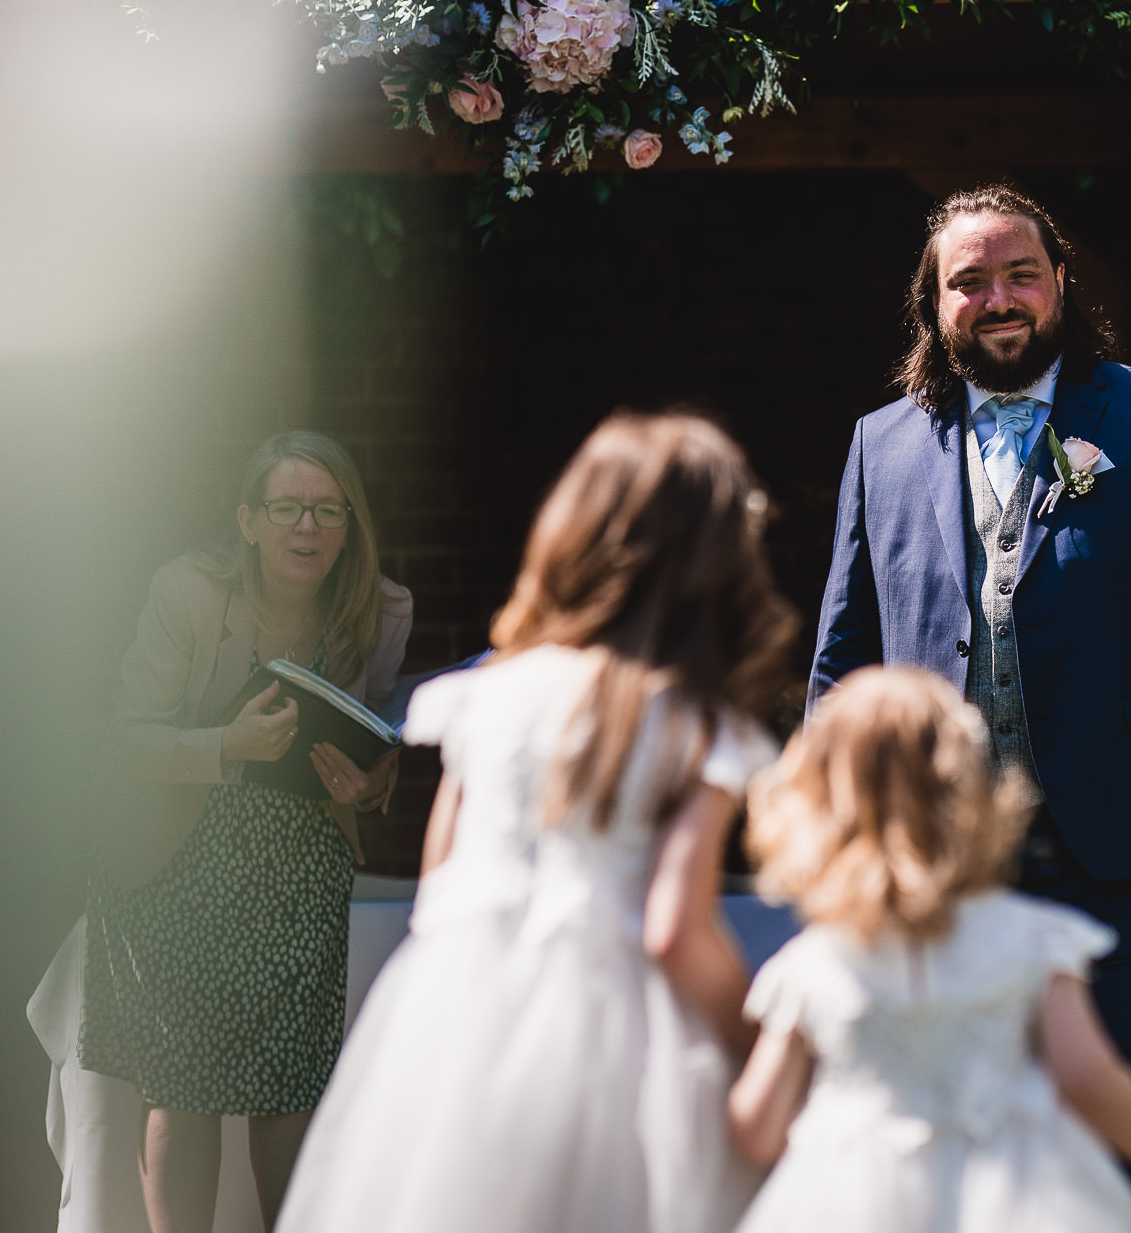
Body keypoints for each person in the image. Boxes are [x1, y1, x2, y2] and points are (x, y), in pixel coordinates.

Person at [808, 183, 1131, 1137]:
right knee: (942, 1115)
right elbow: (844, 659)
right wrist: (841, 824)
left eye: (1021, 274)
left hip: (1117, 840)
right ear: (934, 305)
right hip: (934, 852)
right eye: (969, 281)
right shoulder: (877, 445)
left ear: (1061, 281)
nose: (1000, 298)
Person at [275, 412, 793, 1233]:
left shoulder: (486, 698)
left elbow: (437, 884)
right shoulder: (695, 723)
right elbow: (673, 929)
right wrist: (755, 1033)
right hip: (613, 1030)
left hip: (451, 1015)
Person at [727, 665, 1131, 1233]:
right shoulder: (1033, 938)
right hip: (1020, 1199)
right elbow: (1087, 1074)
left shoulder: (811, 964)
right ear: (969, 789)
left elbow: (757, 1127)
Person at [75, 430, 411, 1233]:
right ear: (249, 520)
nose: (310, 528)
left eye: (330, 510)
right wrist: (225, 746)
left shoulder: (380, 606)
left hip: (300, 870)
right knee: (181, 1092)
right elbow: (124, 739)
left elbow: (379, 731)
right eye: (290, 507)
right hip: (177, 860)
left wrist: (372, 782)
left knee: (291, 1091)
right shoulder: (186, 591)